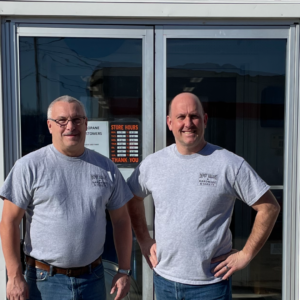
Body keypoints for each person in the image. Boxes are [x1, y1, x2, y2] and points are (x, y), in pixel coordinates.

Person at [126, 92, 280, 300]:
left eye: (194, 116)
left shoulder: (229, 164)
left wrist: (246, 254)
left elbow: (269, 207)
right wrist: (144, 240)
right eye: (181, 117)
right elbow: (132, 197)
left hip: (210, 286)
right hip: (164, 281)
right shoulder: (153, 164)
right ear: (170, 123)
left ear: (205, 120)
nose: (188, 123)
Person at [0, 95, 133, 300]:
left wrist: (124, 270)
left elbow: (122, 220)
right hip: (45, 281)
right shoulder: (29, 167)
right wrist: (14, 276)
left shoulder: (106, 168)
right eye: (62, 120)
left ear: (86, 124)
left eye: (77, 119)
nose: (70, 126)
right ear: (50, 126)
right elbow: (9, 222)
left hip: (93, 279)